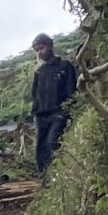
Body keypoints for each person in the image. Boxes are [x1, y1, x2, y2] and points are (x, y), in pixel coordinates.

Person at [30, 33, 78, 175]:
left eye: (42, 48)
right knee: (40, 149)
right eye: (37, 49)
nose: (40, 52)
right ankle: (44, 181)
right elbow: (35, 95)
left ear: (50, 46)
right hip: (41, 116)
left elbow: (71, 91)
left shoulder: (65, 66)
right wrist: (35, 112)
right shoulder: (39, 72)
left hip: (58, 113)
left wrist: (67, 111)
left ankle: (55, 179)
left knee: (52, 144)